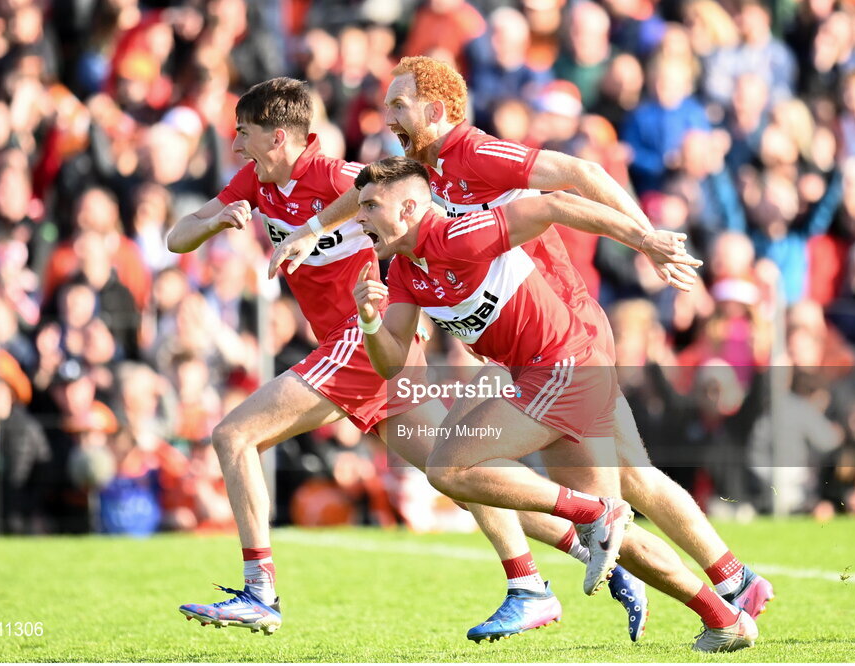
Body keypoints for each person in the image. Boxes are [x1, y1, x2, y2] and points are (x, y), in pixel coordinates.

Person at [165, 77, 696, 641]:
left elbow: (387, 193)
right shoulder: (252, 181)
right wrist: (212, 222)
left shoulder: (329, 174)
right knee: (464, 479)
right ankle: (557, 571)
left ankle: (259, 592)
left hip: (363, 336)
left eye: (243, 133)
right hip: (372, 346)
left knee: (234, 436)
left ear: (278, 137)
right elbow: (177, 237)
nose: (235, 144)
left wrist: (314, 229)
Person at [271, 55, 774, 641]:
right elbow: (370, 192)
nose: (386, 116)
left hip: (568, 335)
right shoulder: (414, 189)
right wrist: (313, 232)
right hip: (531, 354)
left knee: (531, 483)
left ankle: (553, 574)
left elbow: (573, 179)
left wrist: (648, 237)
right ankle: (730, 590)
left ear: (437, 110)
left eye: (398, 105)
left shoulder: (471, 156)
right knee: (626, 483)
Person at [349, 156, 757, 652]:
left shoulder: (460, 234)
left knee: (447, 468)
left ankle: (580, 529)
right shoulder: (406, 272)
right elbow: (392, 365)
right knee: (615, 539)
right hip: (538, 374)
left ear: (411, 207)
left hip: (565, 366)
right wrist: (369, 319)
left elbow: (556, 203)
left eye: (371, 205)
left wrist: (645, 240)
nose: (360, 217)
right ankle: (724, 618)